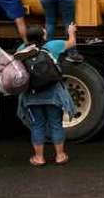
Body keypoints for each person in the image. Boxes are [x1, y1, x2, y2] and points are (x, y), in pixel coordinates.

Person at [16, 24, 78, 166]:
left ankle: (39, 158)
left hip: (31, 96)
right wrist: (71, 32)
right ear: (42, 36)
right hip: (53, 94)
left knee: (37, 125)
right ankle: (60, 156)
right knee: (56, 124)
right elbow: (72, 43)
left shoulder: (21, 50)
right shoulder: (51, 46)